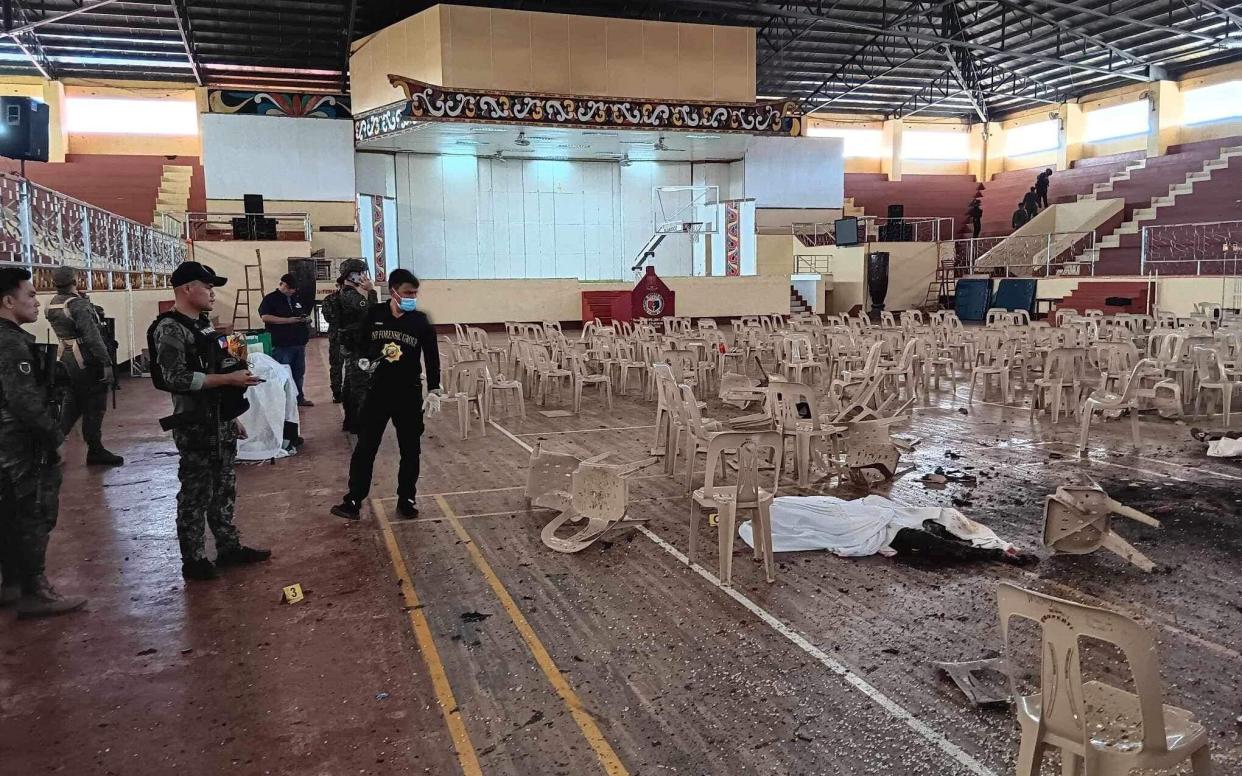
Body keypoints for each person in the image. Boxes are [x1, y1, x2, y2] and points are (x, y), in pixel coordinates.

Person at [149, 261, 271, 581]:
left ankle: (228, 547)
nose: (213, 293)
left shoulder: (202, 325)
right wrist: (227, 380)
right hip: (194, 423)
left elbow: (215, 365)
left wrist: (230, 416)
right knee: (196, 491)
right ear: (188, 289)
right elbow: (174, 377)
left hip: (218, 418)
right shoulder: (170, 328)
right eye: (208, 286)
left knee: (224, 487)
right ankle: (194, 558)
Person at [0, 267, 86, 618]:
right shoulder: (11, 343)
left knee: (9, 511)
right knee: (35, 511)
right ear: (8, 300)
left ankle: (12, 583)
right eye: (31, 295)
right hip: (20, 445)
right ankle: (36, 589)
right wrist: (54, 438)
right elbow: (24, 401)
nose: (37, 302)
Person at [331, 269, 441, 521]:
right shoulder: (375, 314)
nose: (412, 297)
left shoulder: (420, 321)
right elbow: (360, 343)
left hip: (408, 393)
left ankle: (407, 498)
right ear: (393, 292)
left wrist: (434, 388)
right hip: (377, 391)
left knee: (410, 449)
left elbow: (432, 357)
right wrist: (363, 360)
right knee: (366, 448)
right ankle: (354, 499)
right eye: (407, 293)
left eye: (415, 293)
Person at [45, 266, 123, 466]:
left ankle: (52, 443)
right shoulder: (78, 305)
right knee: (94, 404)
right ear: (75, 280)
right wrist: (106, 363)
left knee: (72, 403)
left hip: (66, 356)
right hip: (86, 359)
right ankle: (95, 450)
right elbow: (92, 336)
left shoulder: (52, 303)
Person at [336, 259, 377, 433]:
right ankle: (361, 424)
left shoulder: (344, 293)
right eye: (360, 273)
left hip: (351, 343)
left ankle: (350, 421)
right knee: (360, 386)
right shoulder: (352, 295)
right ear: (351, 275)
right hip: (357, 346)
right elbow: (372, 311)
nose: (363, 276)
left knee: (350, 384)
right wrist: (371, 291)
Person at [259, 273, 313, 407]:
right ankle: (283, 400)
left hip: (299, 342)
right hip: (282, 344)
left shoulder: (296, 298)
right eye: (289, 288)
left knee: (298, 373)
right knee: (282, 372)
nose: (291, 291)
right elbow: (265, 317)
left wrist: (305, 319)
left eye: (293, 289)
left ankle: (299, 398)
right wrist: (287, 321)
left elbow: (303, 313)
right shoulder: (270, 299)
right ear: (282, 284)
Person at [321, 280, 344, 403]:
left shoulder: (356, 298)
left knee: (355, 366)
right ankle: (337, 392)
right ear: (338, 286)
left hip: (353, 337)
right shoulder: (330, 299)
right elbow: (328, 317)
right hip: (337, 337)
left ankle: (351, 391)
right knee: (336, 365)